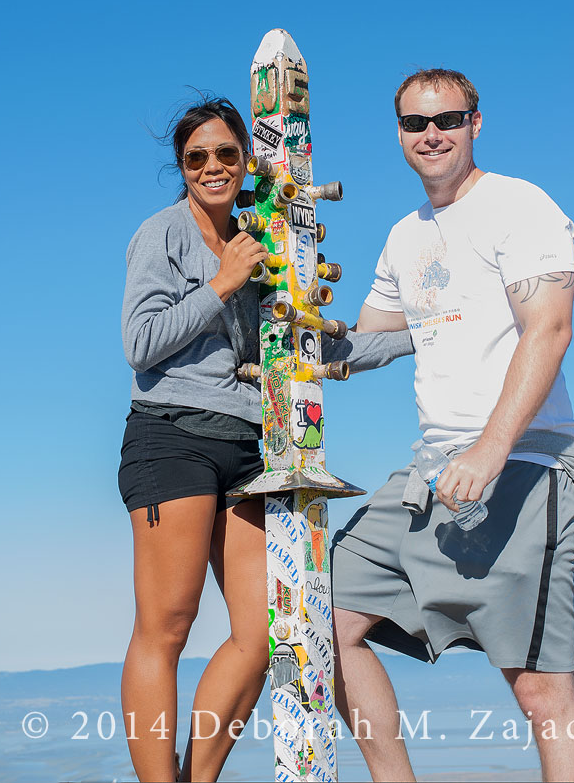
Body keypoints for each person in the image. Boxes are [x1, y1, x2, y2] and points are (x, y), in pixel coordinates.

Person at [119, 95, 415, 783]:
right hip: (172, 439)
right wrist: (222, 283)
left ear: (246, 162)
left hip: (252, 450)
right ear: (182, 167)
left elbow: (306, 341)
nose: (213, 167)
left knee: (262, 635)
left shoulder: (264, 243)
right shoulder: (162, 235)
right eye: (197, 158)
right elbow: (140, 344)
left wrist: (421, 338)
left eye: (227, 154)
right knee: (167, 627)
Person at [331, 68, 574, 783]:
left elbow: (549, 329)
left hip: (524, 465)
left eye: (447, 120)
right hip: (431, 471)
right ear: (399, 134)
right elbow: (373, 338)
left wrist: (491, 448)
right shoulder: (404, 236)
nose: (433, 135)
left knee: (541, 689)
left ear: (475, 124)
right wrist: (293, 326)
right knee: (321, 616)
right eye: (417, 124)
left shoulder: (521, 206)